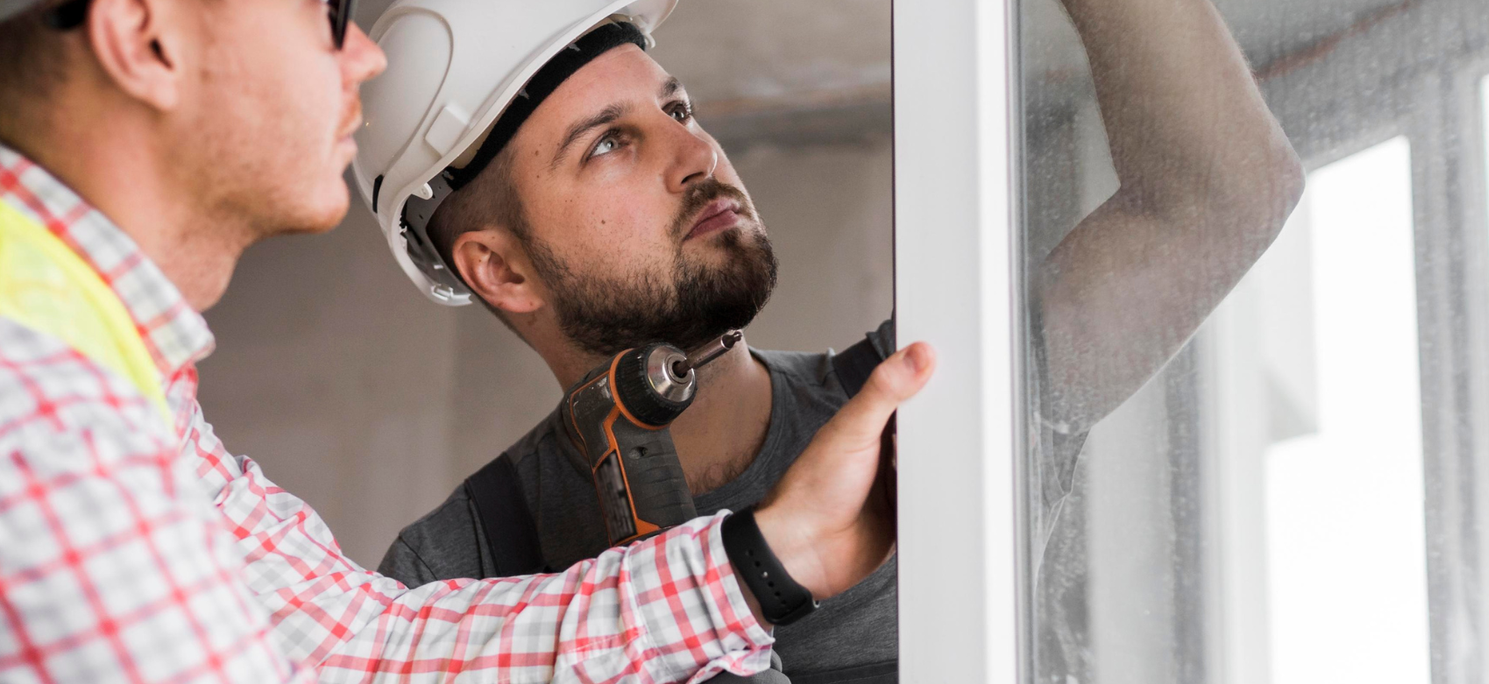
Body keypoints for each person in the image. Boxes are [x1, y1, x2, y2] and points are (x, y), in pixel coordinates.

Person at [0, 0, 935, 682]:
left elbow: (359, 652)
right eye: (318, 9)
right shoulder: (6, 424)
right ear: (146, 35)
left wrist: (767, 561)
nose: (362, 53)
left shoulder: (19, 306)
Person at [361, 0, 1304, 681]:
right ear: (502, 270)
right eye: (609, 143)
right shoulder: (451, 576)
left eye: (677, 111)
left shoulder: (931, 395)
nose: (697, 155)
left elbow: (1222, 195)